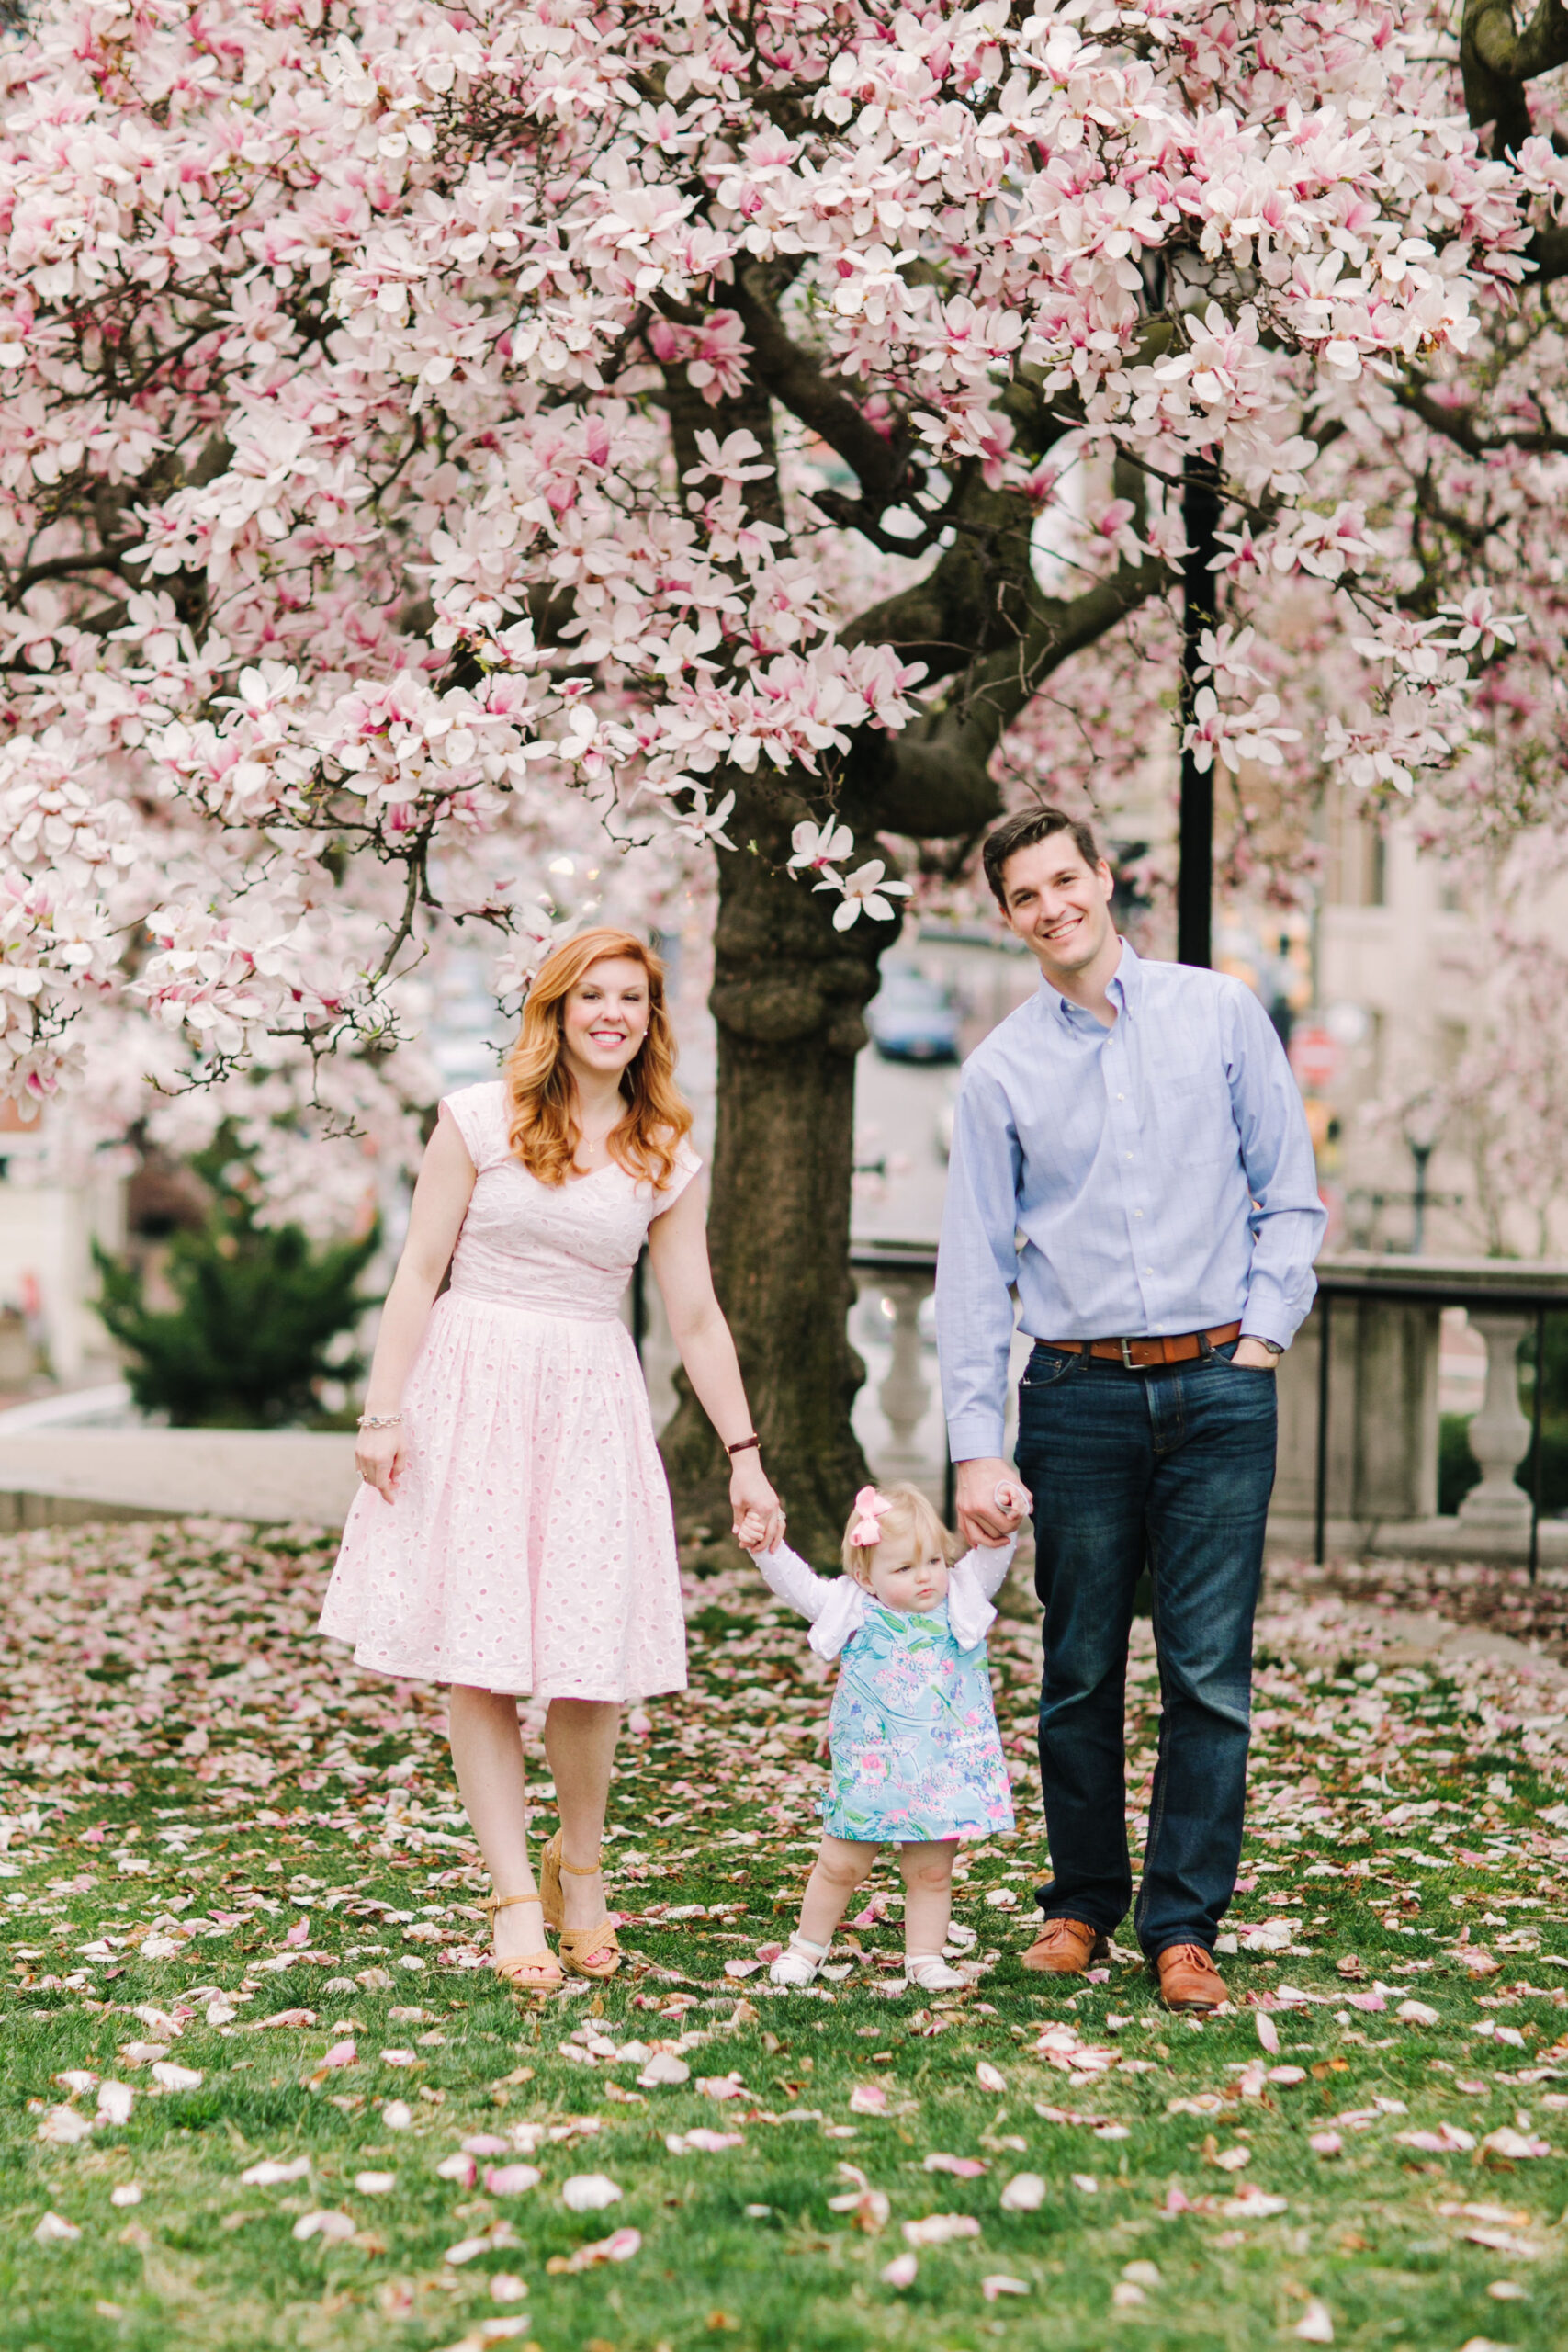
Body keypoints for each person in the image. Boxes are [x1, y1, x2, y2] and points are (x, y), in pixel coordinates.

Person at [321, 925, 783, 1988]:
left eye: (631, 998)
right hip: (472, 1390)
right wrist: (381, 1413)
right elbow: (416, 1272)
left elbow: (698, 1316)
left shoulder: (663, 1148)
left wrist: (744, 1453)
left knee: (587, 1661)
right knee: (481, 1657)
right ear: (557, 1013)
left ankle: (582, 1870)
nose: (612, 1014)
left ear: (649, 1020)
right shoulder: (477, 1121)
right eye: (593, 997)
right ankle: (513, 1899)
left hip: (589, 1402)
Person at [936, 808, 1325, 2013]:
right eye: (1024, 896)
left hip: (1218, 1386)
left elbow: (1288, 1195)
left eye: (1066, 880)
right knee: (1077, 1665)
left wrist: (1258, 1337)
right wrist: (974, 1449)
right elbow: (970, 1270)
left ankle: (1181, 1925)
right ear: (1007, 919)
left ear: (1104, 881)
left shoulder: (1217, 1014)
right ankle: (1079, 1905)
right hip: (1075, 1394)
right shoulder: (997, 1071)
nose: (1052, 906)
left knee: (1207, 1671)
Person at [737, 1478, 1025, 1992]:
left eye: (934, 1561)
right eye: (904, 1567)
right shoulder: (851, 1605)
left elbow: (995, 1552)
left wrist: (1006, 1508)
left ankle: (925, 1956)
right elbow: (797, 1583)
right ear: (865, 1576)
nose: (925, 1578)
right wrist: (767, 1548)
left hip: (939, 1770)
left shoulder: (961, 1597)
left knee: (932, 1873)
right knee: (839, 1866)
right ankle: (807, 1947)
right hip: (872, 1768)